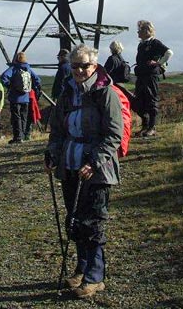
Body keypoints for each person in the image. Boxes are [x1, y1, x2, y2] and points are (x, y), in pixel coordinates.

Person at [45, 44, 123, 299]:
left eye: (85, 65)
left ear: (95, 65)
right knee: (76, 219)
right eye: (75, 65)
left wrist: (95, 161)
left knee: (94, 222)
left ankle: (95, 276)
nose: (79, 70)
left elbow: (114, 135)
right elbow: (57, 129)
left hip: (98, 169)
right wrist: (52, 153)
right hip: (70, 164)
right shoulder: (67, 92)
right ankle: (82, 268)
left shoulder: (105, 93)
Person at [134, 20, 173, 137]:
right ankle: (144, 127)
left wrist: (158, 63)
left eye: (139, 30)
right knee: (140, 101)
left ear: (147, 31)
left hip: (151, 75)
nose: (137, 32)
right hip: (141, 75)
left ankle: (152, 127)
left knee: (151, 100)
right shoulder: (141, 44)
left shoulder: (155, 43)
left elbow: (169, 52)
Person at [1, 51, 42, 144]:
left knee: (16, 117)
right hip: (26, 97)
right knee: (24, 117)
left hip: (15, 97)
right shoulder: (28, 69)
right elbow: (37, 80)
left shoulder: (14, 68)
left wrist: (10, 86)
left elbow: (4, 77)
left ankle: (17, 137)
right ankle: (22, 136)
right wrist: (32, 88)